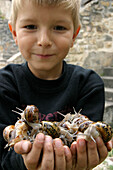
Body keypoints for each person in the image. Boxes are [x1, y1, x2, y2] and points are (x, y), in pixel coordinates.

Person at [0, 0, 112, 169]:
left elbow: (88, 140)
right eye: (30, 26)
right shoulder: (4, 84)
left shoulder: (88, 85)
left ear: (74, 35)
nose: (44, 41)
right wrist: (25, 161)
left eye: (59, 28)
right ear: (14, 33)